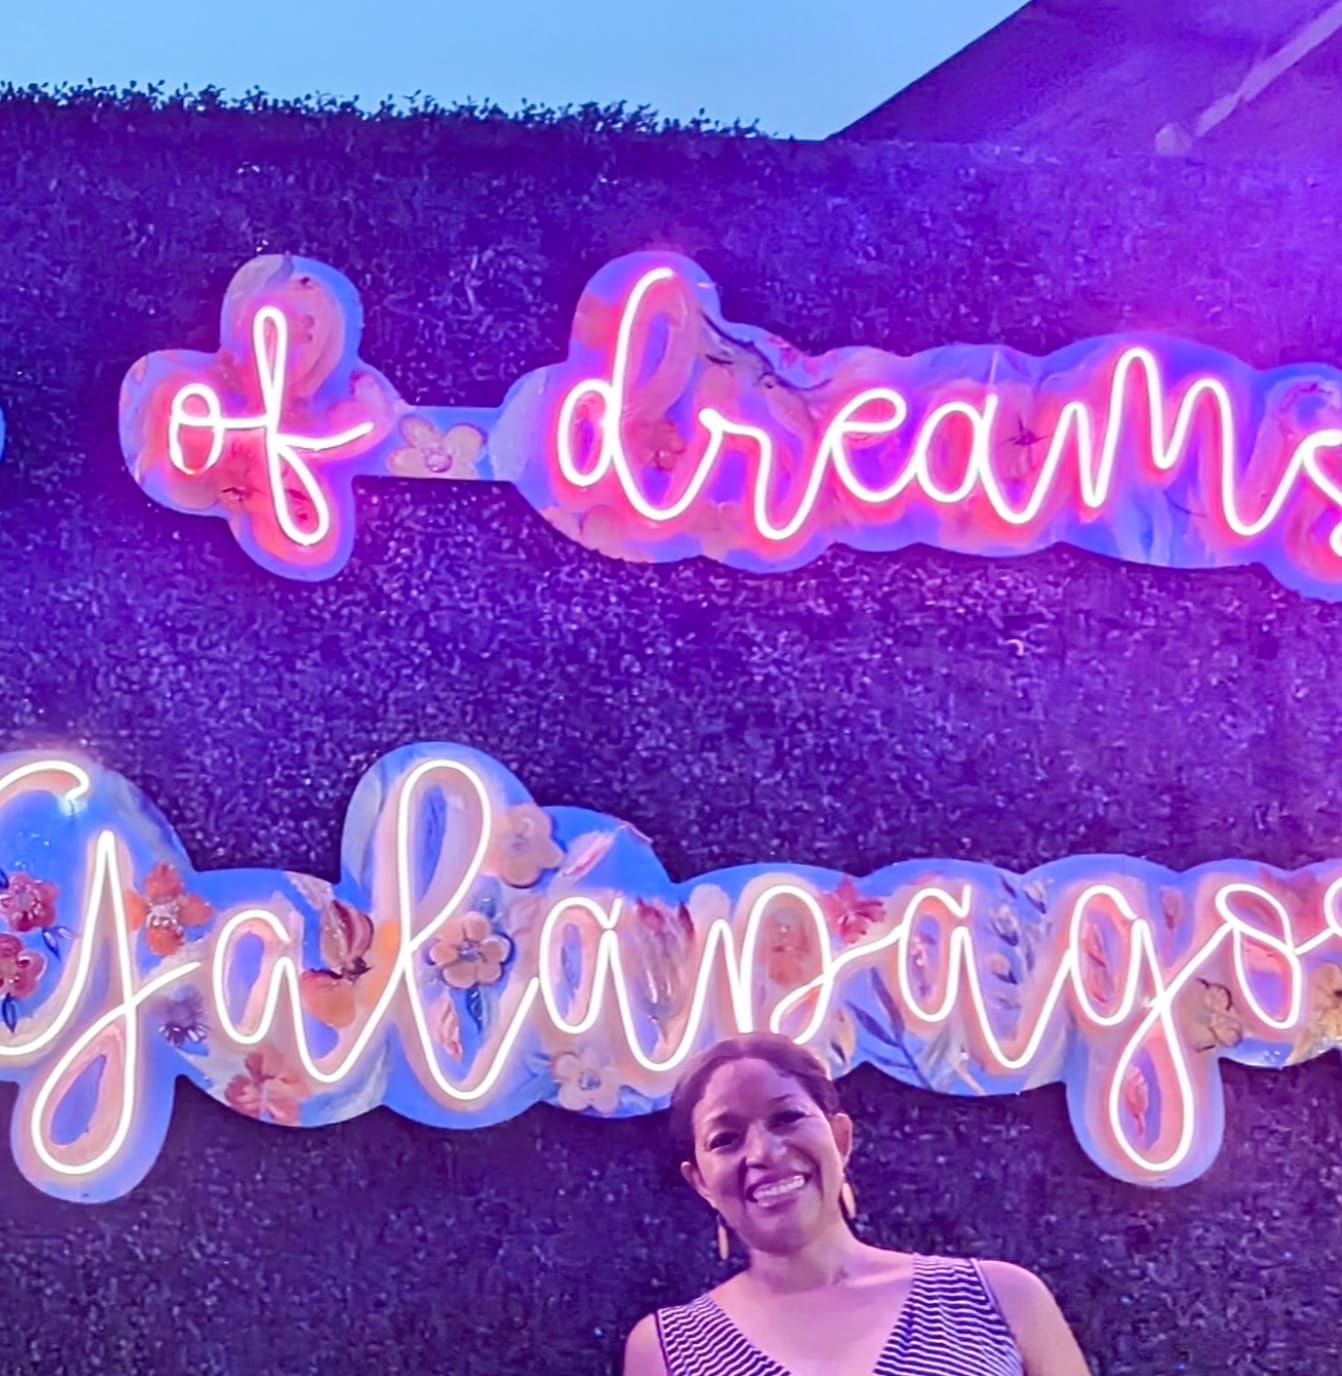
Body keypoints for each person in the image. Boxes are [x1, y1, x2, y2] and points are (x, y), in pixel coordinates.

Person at [623, 1032, 1091, 1376]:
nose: (763, 1153)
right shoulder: (667, 1351)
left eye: (787, 1118)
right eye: (726, 1138)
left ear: (841, 1139)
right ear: (700, 1181)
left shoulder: (998, 1299)